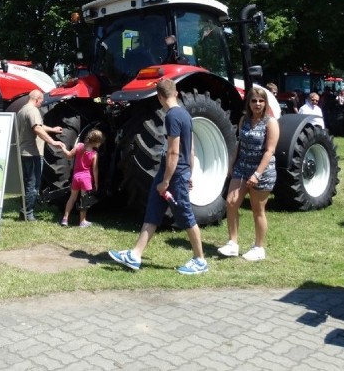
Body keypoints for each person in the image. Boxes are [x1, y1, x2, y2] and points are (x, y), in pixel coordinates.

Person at [108, 78, 208, 275]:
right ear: (176, 93)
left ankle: (200, 260)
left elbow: (173, 152)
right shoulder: (185, 114)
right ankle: (135, 255)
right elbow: (192, 148)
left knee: (185, 216)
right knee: (153, 213)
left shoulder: (172, 116)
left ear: (160, 97)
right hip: (173, 172)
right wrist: (189, 173)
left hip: (173, 174)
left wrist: (167, 181)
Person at [217, 86, 280, 262]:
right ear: (249, 103)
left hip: (262, 171)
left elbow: (269, 151)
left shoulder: (271, 122)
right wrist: (231, 163)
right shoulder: (244, 119)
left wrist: (258, 174)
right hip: (241, 167)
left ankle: (259, 248)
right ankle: (232, 243)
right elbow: (240, 143)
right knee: (231, 203)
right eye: (254, 101)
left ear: (266, 103)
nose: (257, 104)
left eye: (261, 101)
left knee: (257, 210)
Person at [16, 89, 65, 221]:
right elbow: (37, 128)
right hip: (33, 153)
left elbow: (39, 125)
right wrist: (53, 141)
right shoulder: (33, 110)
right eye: (41, 101)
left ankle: (23, 212)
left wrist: (52, 129)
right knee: (33, 185)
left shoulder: (22, 110)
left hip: (23, 152)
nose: (41, 104)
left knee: (26, 184)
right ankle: (28, 214)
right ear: (37, 99)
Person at [59, 129, 103, 227]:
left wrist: (63, 148)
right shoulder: (94, 154)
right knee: (84, 200)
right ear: (96, 142)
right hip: (86, 179)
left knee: (72, 198)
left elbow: (69, 155)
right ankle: (82, 221)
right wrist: (96, 183)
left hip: (76, 177)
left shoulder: (79, 146)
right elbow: (95, 170)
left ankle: (65, 219)